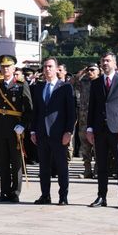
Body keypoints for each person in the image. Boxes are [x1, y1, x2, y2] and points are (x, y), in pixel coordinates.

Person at [86, 52, 118, 209]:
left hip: (117, 129)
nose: (105, 63)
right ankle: (102, 196)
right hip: (100, 130)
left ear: (114, 63)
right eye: (102, 61)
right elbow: (91, 108)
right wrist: (90, 128)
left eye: (108, 61)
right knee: (101, 166)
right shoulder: (96, 83)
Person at [0, 55, 33, 203]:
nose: (5, 69)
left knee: (16, 162)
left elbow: (29, 109)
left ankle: (15, 192)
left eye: (8, 66)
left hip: (15, 127)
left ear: (13, 68)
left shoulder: (21, 84)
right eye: (2, 66)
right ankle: (4, 192)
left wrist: (23, 125)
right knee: (3, 161)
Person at [30, 57, 75, 205]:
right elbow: (35, 111)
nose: (47, 69)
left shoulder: (65, 87)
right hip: (42, 134)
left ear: (56, 69)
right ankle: (45, 195)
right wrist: (33, 131)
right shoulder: (38, 87)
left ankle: (63, 196)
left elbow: (71, 112)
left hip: (59, 134)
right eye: (45, 67)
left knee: (62, 167)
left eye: (50, 66)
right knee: (44, 168)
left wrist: (69, 131)